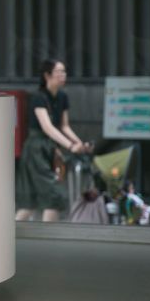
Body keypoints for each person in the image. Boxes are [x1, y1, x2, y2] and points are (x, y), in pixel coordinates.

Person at [15, 59, 92, 222]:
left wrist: (80, 144)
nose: (63, 75)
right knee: (53, 195)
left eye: (64, 71)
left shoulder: (62, 97)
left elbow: (64, 126)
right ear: (47, 75)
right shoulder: (39, 98)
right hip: (36, 150)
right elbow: (47, 127)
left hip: (50, 149)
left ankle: (15, 234)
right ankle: (41, 235)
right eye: (59, 72)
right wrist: (71, 146)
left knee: (31, 202)